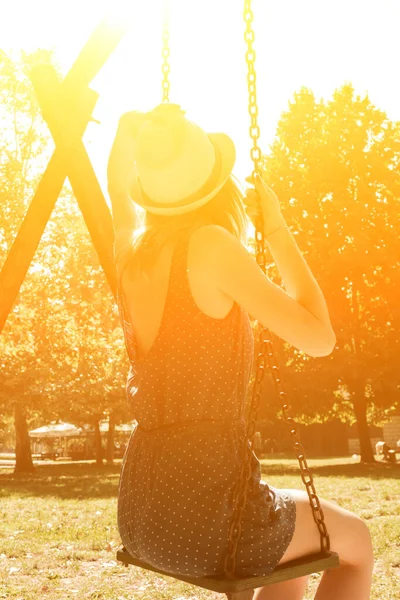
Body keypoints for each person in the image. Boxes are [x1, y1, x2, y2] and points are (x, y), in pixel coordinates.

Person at [107, 103, 373, 600]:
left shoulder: (131, 253)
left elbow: (117, 197)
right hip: (210, 519)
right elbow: (319, 338)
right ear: (213, 182)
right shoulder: (208, 245)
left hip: (144, 515)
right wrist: (276, 230)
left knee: (290, 559)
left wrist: (129, 135)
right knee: (357, 540)